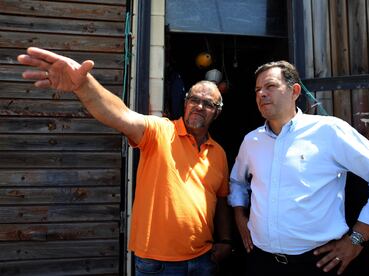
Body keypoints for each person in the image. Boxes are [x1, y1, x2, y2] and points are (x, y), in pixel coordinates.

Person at [17, 47, 233, 275]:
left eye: (209, 104)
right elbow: (121, 115)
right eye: (195, 99)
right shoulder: (160, 130)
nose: (200, 106)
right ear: (185, 102)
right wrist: (84, 85)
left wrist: (226, 241)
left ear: (217, 113)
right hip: (158, 264)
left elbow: (220, 202)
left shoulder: (218, 153)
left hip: (202, 260)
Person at [227, 60, 369, 275]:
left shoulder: (329, 131)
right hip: (261, 262)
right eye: (258, 89)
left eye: (270, 86)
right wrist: (240, 216)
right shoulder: (252, 141)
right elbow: (237, 183)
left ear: (294, 91)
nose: (262, 94)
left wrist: (357, 239)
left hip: (317, 263)